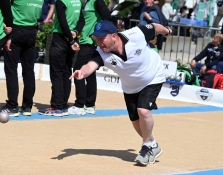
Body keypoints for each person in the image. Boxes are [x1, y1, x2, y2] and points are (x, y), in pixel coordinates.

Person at [70, 20, 172, 166]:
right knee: (136, 121)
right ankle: (151, 144)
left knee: (143, 111)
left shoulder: (136, 34)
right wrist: (82, 72)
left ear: (113, 36)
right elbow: (90, 65)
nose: (99, 42)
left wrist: (167, 31)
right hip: (130, 86)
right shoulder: (101, 53)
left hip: (153, 75)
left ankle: (147, 146)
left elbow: (155, 27)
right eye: (96, 39)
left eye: (101, 38)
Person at [0, 0, 44, 117]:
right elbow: (39, 15)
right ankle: (27, 106)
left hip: (17, 30)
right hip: (32, 31)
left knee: (11, 68)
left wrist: (9, 35)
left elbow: (7, 9)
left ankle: (12, 105)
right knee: (28, 70)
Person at [38, 0, 85, 116]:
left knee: (57, 74)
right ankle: (63, 104)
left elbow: (63, 22)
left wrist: (71, 39)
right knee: (66, 72)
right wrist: (75, 32)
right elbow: (82, 20)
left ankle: (57, 106)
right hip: (71, 37)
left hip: (61, 38)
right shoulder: (78, 2)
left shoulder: (61, 1)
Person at [68, 0, 111, 115]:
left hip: (89, 43)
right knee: (90, 74)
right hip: (86, 42)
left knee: (78, 70)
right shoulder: (88, 2)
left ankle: (79, 105)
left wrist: (98, 34)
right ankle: (90, 105)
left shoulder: (97, 1)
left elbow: (107, 16)